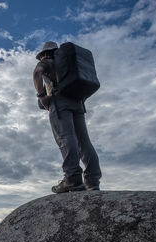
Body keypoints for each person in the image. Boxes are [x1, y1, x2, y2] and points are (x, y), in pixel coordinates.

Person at [33, 41, 102, 193]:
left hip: (59, 103)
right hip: (77, 102)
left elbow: (37, 72)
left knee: (65, 138)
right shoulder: (68, 65)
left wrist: (42, 95)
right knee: (84, 142)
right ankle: (92, 180)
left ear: (45, 53)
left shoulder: (48, 61)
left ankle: (72, 179)